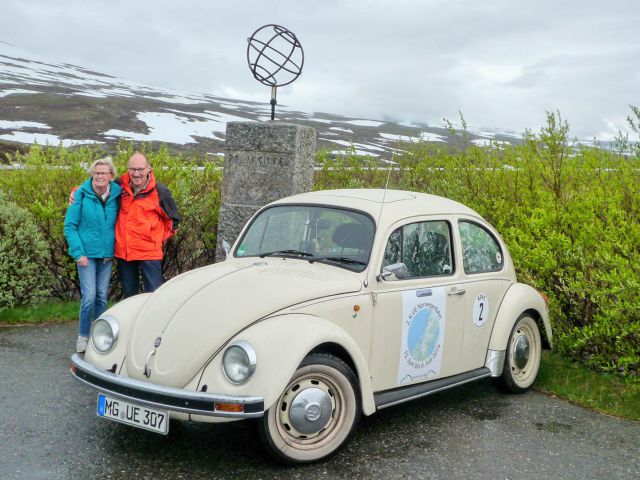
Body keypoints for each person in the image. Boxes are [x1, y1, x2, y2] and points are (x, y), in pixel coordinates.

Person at [64, 157, 122, 353]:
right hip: (86, 255)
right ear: (92, 174)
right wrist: (78, 253)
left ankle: (100, 336)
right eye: (96, 173)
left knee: (102, 297)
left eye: (104, 173)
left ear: (111, 176)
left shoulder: (117, 193)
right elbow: (70, 226)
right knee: (89, 297)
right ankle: (83, 335)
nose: (99, 176)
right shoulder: (80, 194)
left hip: (106, 255)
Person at [115, 152, 180, 297]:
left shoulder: (160, 191)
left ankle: (157, 320)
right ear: (128, 169)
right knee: (129, 296)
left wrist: (157, 239)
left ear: (148, 169)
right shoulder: (119, 186)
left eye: (140, 169)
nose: (136, 173)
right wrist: (76, 192)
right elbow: (96, 186)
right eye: (132, 169)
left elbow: (173, 220)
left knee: (154, 295)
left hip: (149, 253)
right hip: (125, 252)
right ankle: (132, 320)